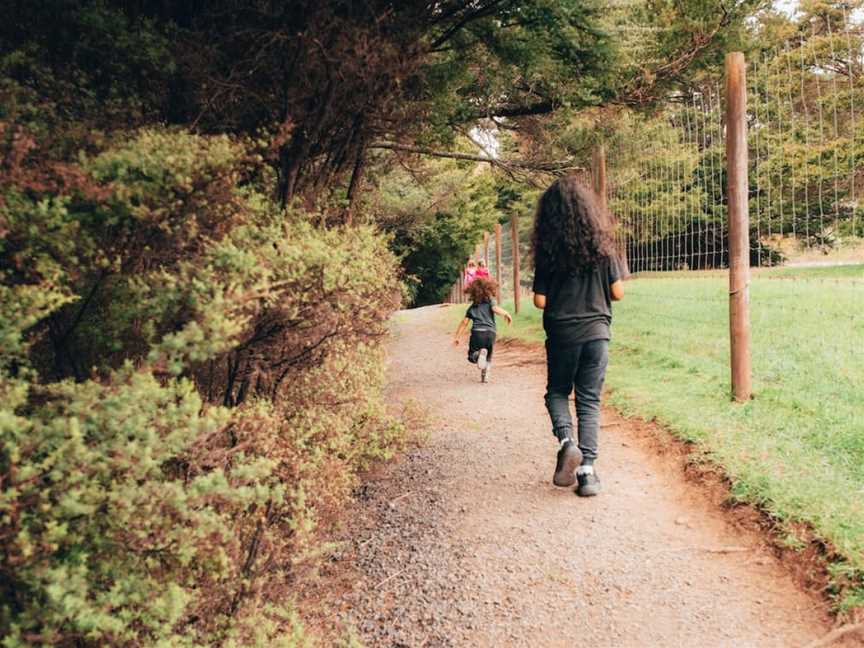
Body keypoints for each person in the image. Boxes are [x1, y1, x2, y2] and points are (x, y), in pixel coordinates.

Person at [531, 175, 625, 497]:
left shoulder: (548, 252)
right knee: (589, 400)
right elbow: (618, 293)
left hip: (561, 332)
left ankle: (567, 442)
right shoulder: (603, 247)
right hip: (597, 333)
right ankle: (587, 473)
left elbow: (540, 300)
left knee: (557, 391)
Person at [452, 277, 512, 383]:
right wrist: (505, 313)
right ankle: (485, 376)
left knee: (472, 356)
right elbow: (495, 309)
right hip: (491, 333)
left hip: (477, 333)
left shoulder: (472, 307)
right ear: (489, 290)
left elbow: (464, 323)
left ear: (473, 294)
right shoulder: (491, 302)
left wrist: (457, 337)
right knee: (488, 356)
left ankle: (478, 354)